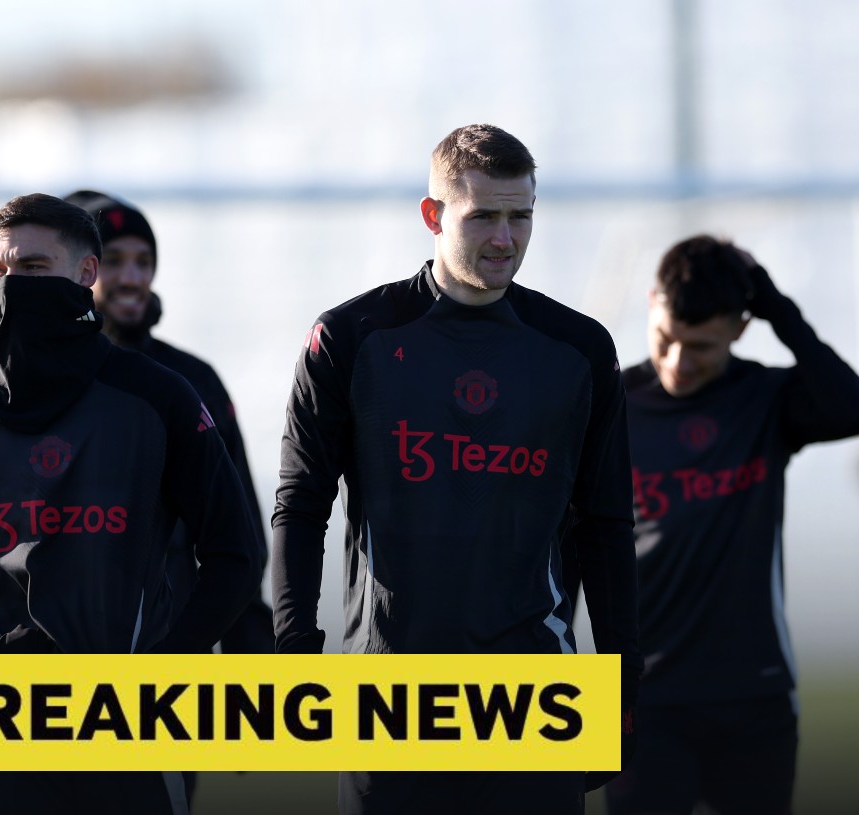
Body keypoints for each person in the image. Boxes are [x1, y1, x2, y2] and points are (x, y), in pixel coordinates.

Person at [271, 123, 641, 814]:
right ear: (434, 215)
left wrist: (621, 682)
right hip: (388, 695)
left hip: (535, 697)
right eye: (484, 217)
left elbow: (607, 526)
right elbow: (301, 504)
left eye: (521, 216)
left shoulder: (579, 349)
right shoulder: (351, 338)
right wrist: (294, 652)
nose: (505, 239)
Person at [0, 193, 263, 815]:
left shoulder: (162, 394)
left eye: (35, 269)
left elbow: (236, 554)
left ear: (83, 274)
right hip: (5, 719)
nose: (13, 286)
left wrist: (165, 670)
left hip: (136, 723)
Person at [599, 235, 859, 815]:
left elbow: (850, 406)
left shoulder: (764, 399)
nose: (678, 363)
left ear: (740, 330)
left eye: (702, 347)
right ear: (651, 304)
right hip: (638, 698)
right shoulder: (608, 407)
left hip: (754, 695)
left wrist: (777, 307)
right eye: (666, 339)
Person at [62, 189, 274, 653]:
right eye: (113, 261)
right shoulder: (32, 383)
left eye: (144, 262)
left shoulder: (193, 380)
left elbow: (242, 546)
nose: (132, 278)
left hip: (167, 652)